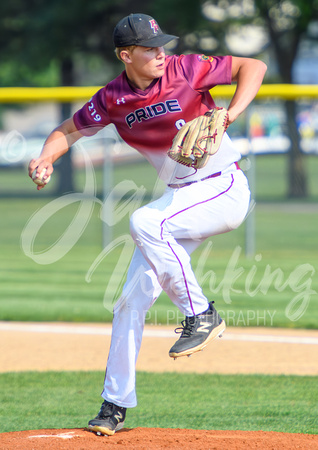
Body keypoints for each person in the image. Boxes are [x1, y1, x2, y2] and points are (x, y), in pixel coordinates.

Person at [28, 13, 267, 436]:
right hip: (181, 201)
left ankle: (201, 315)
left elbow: (254, 66)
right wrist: (46, 158)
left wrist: (231, 112)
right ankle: (114, 405)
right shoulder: (112, 99)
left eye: (161, 45)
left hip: (223, 187)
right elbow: (68, 130)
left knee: (144, 220)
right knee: (129, 302)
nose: (161, 53)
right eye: (150, 48)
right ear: (126, 56)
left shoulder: (186, 69)